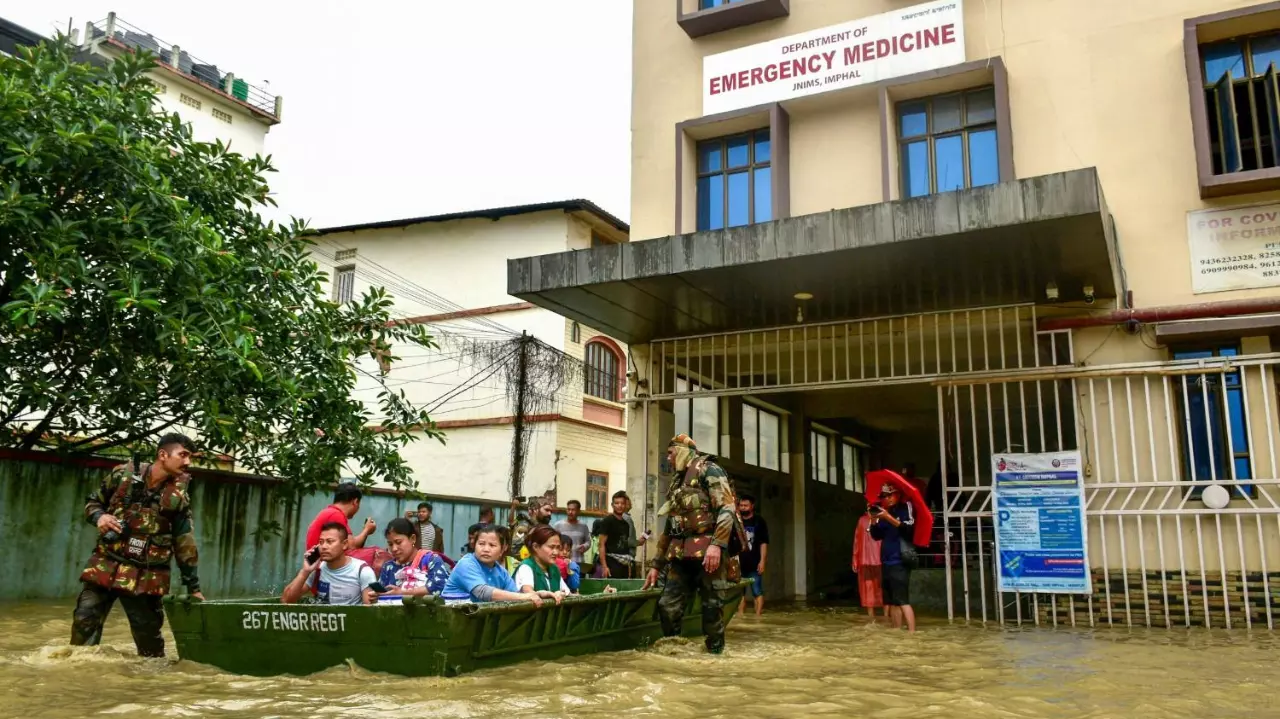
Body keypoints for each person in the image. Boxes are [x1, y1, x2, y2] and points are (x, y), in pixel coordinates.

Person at [72, 433, 204, 657]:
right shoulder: (122, 475)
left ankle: (150, 687)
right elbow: (93, 503)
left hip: (145, 575)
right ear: (163, 455)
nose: (187, 462)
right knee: (84, 622)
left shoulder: (178, 498)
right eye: (183, 455)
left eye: (189, 457)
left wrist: (194, 588)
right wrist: (100, 518)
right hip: (106, 565)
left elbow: (184, 544)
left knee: (149, 644)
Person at [643, 434, 747, 654]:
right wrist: (656, 564)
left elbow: (727, 509)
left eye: (670, 454)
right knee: (667, 605)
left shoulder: (709, 470)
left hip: (710, 551)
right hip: (681, 554)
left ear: (681, 450)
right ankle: (674, 652)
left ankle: (715, 655)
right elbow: (671, 526)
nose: (668, 459)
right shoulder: (677, 481)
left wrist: (717, 545)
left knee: (712, 609)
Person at [442, 525, 545, 606]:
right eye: (481, 544)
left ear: (503, 549)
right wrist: (525, 597)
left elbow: (516, 595)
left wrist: (538, 594)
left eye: (492, 545)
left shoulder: (501, 572)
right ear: (474, 545)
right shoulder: (466, 563)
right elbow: (483, 592)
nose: (486, 549)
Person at [282, 522, 377, 606]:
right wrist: (305, 571)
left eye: (329, 541)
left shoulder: (362, 571)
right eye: (321, 542)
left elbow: (368, 613)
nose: (324, 547)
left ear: (344, 544)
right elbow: (286, 601)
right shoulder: (317, 569)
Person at [869, 484, 917, 632]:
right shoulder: (884, 512)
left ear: (898, 494)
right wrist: (873, 519)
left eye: (890, 495)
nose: (887, 499)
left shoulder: (906, 507)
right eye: (884, 496)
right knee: (892, 601)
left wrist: (888, 517)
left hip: (900, 559)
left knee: (902, 600)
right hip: (886, 560)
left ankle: (912, 633)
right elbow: (876, 536)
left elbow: (908, 529)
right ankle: (897, 630)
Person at [378, 518, 451, 596]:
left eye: (398, 542)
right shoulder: (388, 567)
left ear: (413, 539)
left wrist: (402, 593)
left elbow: (439, 586)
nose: (394, 549)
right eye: (390, 544)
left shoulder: (431, 560)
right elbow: (382, 593)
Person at [305, 483, 376, 551]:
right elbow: (351, 547)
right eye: (359, 504)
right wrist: (366, 530)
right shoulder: (335, 515)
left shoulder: (330, 512)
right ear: (355, 501)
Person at [513, 525, 567, 604]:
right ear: (535, 547)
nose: (556, 552)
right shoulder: (526, 567)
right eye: (551, 547)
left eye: (558, 547)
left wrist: (563, 594)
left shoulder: (554, 569)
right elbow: (527, 591)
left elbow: (567, 592)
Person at [598, 491, 646, 579]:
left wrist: (639, 542)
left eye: (622, 503)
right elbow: (601, 545)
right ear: (612, 505)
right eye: (617, 503)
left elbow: (625, 543)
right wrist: (605, 567)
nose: (620, 505)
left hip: (625, 562)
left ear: (625, 505)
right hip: (611, 562)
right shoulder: (607, 521)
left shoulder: (626, 524)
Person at [736, 493, 770, 617]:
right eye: (741, 505)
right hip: (739, 564)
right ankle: (740, 617)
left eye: (746, 505)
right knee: (740, 593)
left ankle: (758, 618)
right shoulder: (736, 521)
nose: (743, 507)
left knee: (757, 591)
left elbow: (764, 543)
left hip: (755, 564)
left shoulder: (759, 521)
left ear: (752, 506)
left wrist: (762, 561)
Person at [852, 508, 885, 622]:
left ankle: (886, 616)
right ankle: (871, 617)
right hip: (865, 560)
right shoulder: (862, 520)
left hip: (881, 559)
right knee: (868, 589)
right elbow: (857, 540)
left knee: (883, 588)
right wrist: (855, 559)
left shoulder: (884, 518)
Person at [554, 500, 591, 564]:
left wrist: (585, 546)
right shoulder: (558, 525)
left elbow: (588, 541)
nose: (570, 512)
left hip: (579, 562)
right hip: (561, 563)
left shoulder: (583, 526)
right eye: (568, 509)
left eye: (573, 510)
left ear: (578, 511)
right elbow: (553, 542)